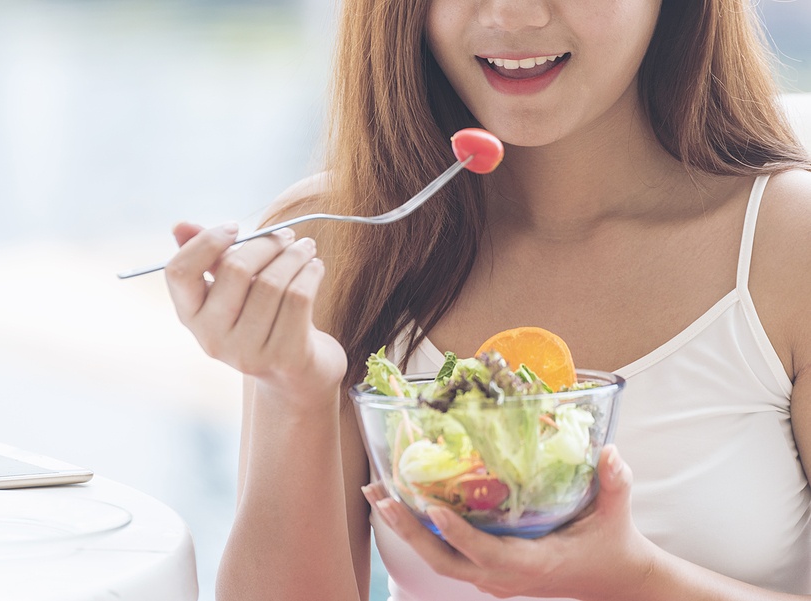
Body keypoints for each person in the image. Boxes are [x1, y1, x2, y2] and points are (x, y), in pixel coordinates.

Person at [165, 0, 811, 599]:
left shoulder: (790, 244)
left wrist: (627, 573)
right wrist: (292, 391)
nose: (512, 15)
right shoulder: (330, 241)